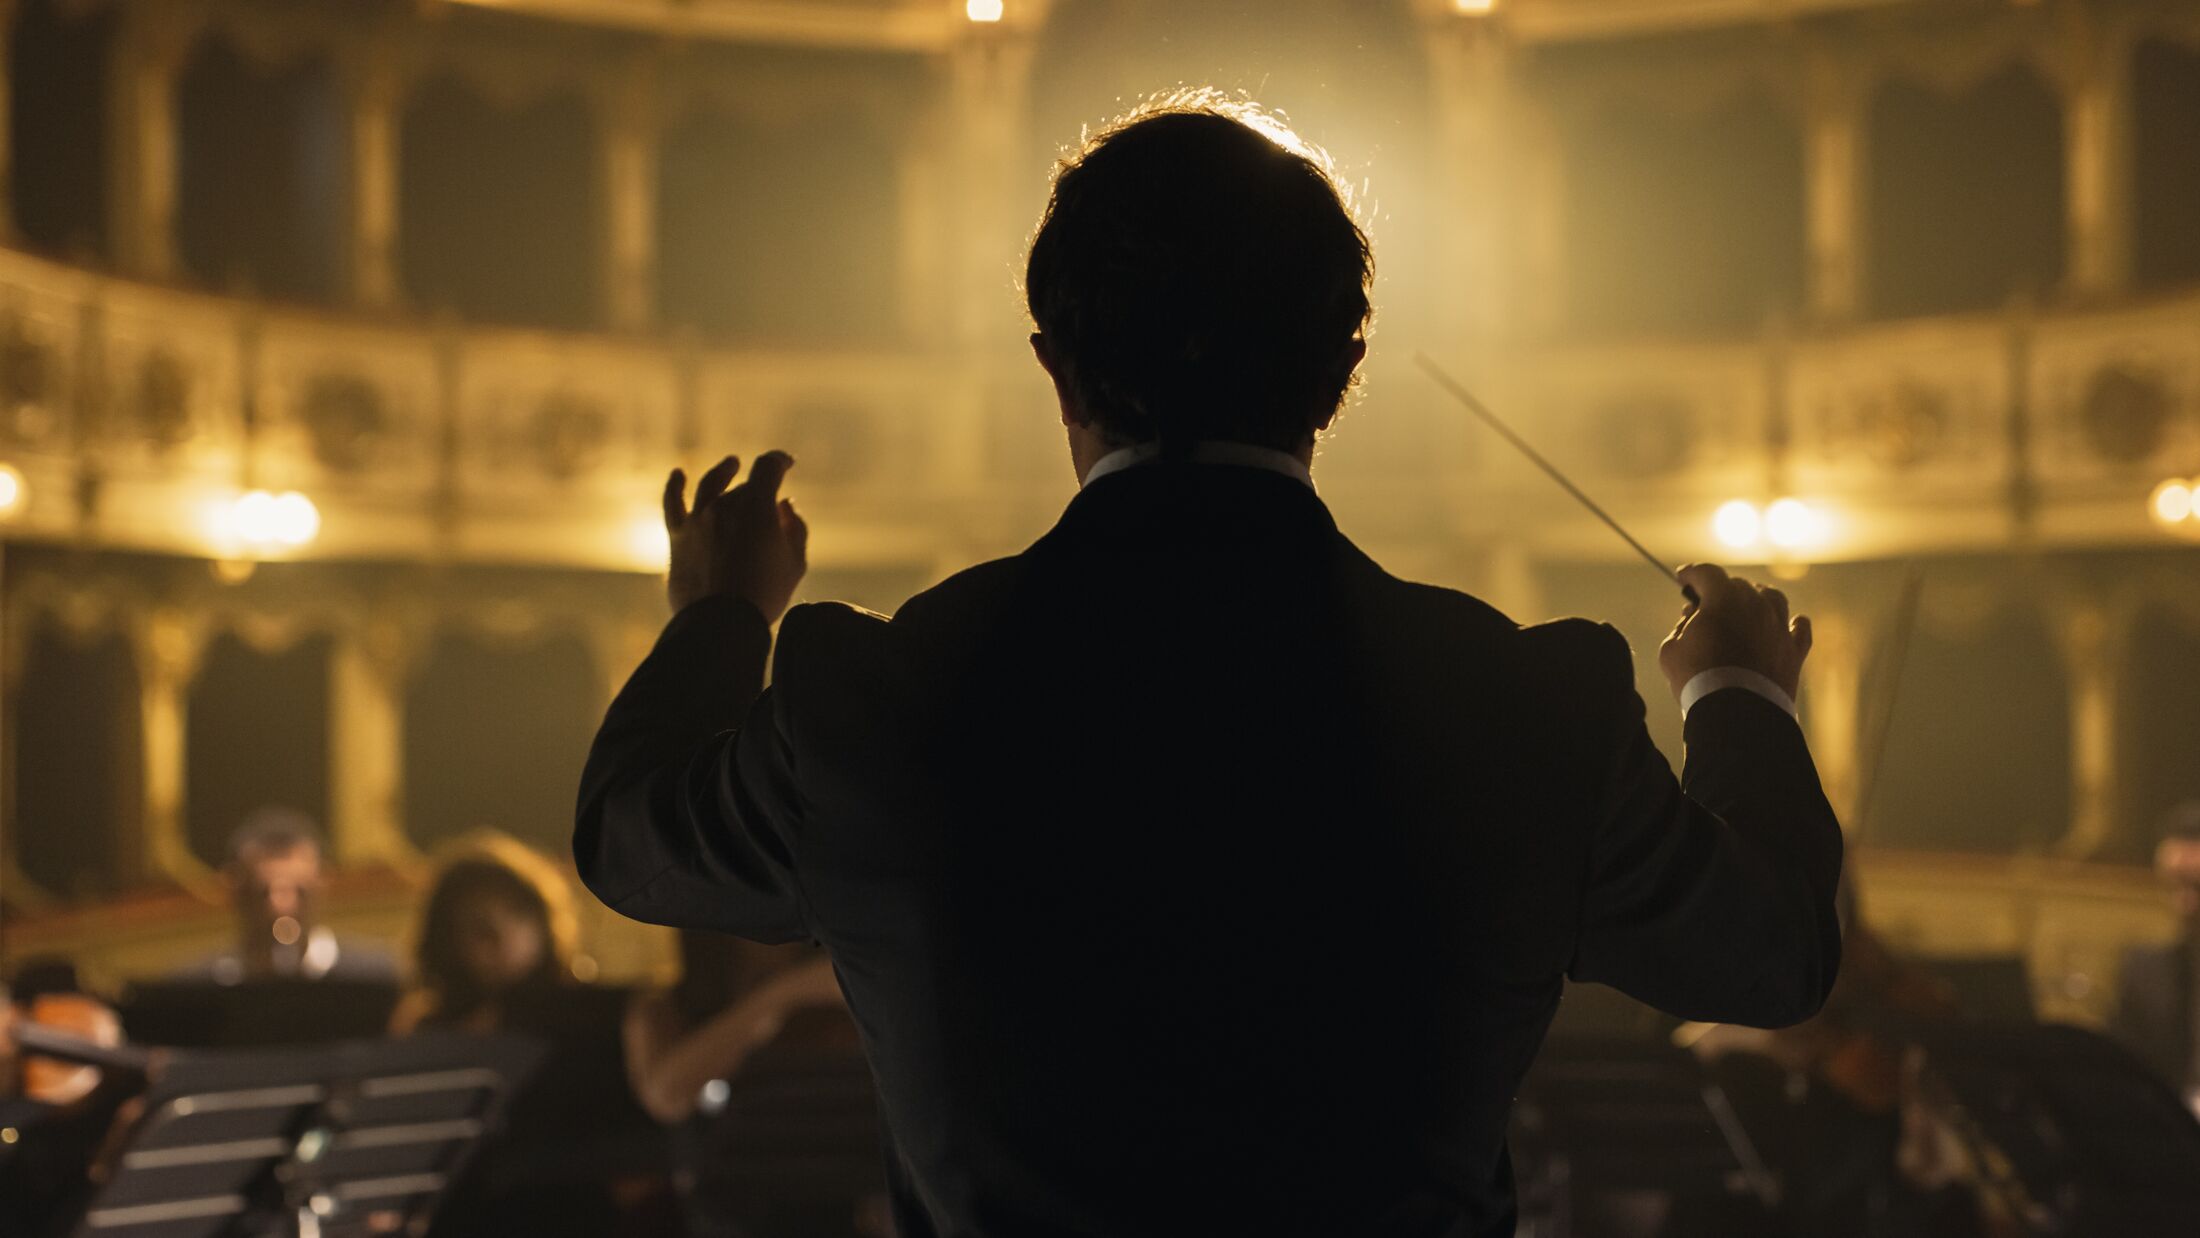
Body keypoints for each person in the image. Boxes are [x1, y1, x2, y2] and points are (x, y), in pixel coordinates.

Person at [575, 92, 1841, 1238]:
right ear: (1341, 371)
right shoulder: (1521, 702)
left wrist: (721, 611)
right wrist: (1739, 698)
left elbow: (628, 833)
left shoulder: (875, 697)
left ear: (1055, 368)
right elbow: (1769, 953)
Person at [625, 931, 858, 1238]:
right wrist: (783, 994)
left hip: (849, 1194)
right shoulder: (666, 1005)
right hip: (744, 1213)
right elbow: (667, 1094)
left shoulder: (838, 963)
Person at [389, 833, 577, 1035]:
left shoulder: (579, 1012)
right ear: (447, 940)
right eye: (479, 925)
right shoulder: (431, 1027)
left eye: (517, 912)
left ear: (543, 918)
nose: (501, 937)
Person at [182, 807, 396, 984]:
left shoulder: (376, 977)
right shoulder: (194, 988)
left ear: (322, 884)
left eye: (300, 892)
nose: (282, 906)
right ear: (235, 889)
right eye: (263, 892)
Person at [2112, 802, 2200, 1116]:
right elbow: (2126, 1072)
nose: (2185, 904)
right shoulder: (2147, 970)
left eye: (2197, 887)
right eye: (2175, 885)